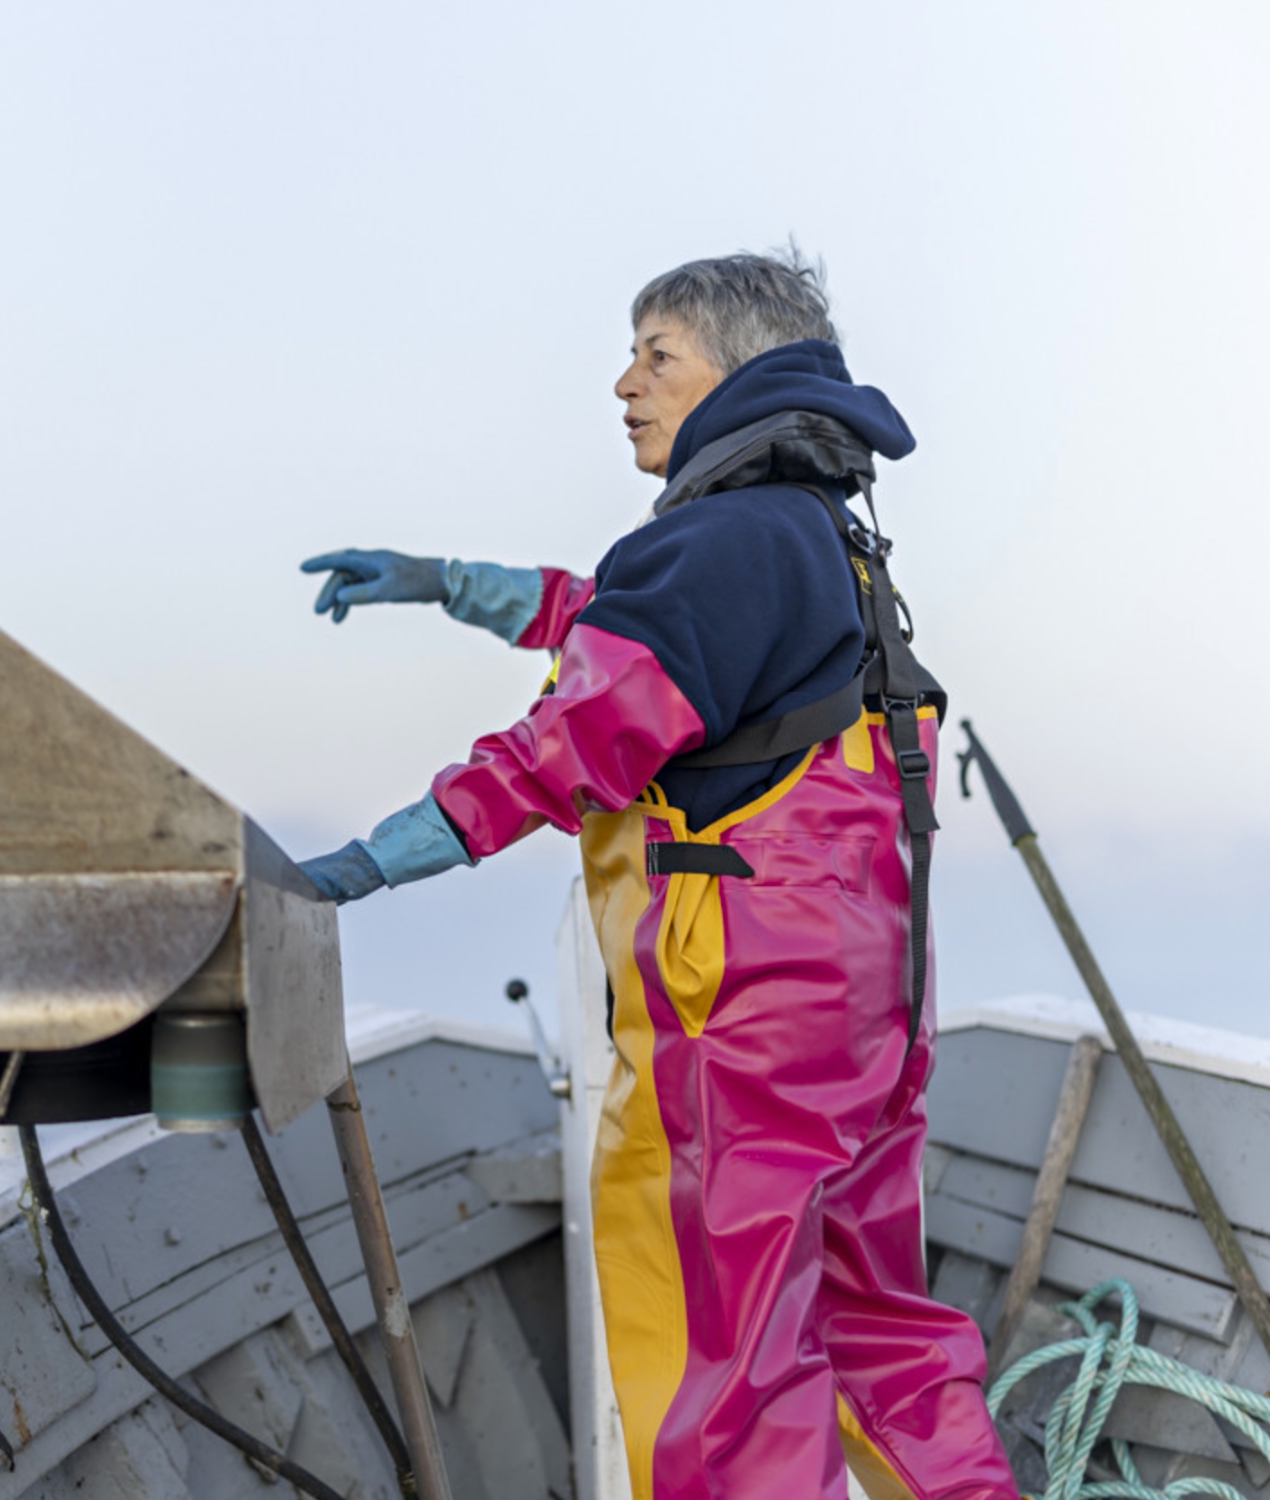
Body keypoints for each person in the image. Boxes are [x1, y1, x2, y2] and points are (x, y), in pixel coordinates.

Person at [299, 251, 1020, 1500]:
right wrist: (453, 586)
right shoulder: (815, 536)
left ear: (733, 370)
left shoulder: (722, 538)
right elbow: (626, 615)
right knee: (881, 1339)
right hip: (866, 1018)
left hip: (737, 1021)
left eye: (657, 354)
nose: (623, 383)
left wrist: (370, 862)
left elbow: (578, 739)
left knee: (720, 1365)